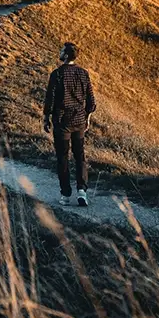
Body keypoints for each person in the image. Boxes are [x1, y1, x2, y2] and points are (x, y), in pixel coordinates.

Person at [43, 42, 96, 206]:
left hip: (62, 121)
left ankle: (65, 194)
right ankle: (82, 191)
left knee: (63, 157)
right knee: (80, 156)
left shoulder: (57, 74)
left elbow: (50, 98)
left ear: (66, 55)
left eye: (61, 51)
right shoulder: (83, 73)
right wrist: (87, 118)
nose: (59, 52)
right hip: (79, 120)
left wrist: (46, 117)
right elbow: (91, 100)